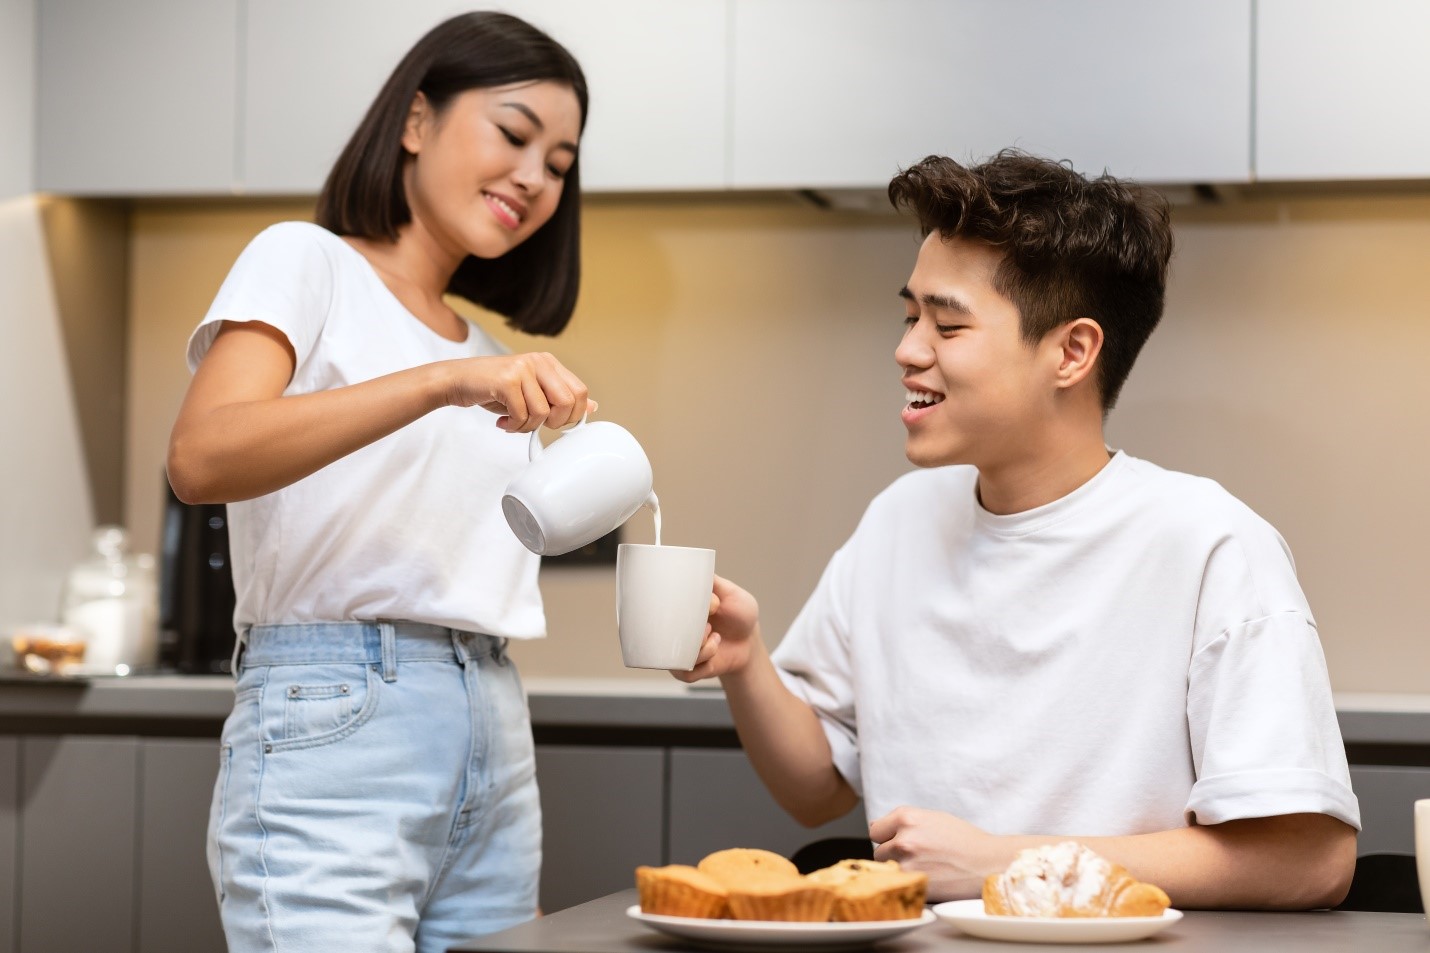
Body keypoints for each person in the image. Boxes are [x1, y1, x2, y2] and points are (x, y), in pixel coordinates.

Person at [677, 150, 1360, 909]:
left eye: (947, 323)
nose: (907, 350)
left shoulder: (1212, 544)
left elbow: (1310, 859)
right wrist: (746, 663)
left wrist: (1006, 860)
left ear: (1072, 351)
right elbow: (815, 790)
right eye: (910, 316)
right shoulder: (897, 521)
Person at [167, 12, 591, 952]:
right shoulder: (304, 259)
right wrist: (445, 383)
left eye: (560, 162)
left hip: (492, 723)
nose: (535, 176)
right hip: (336, 718)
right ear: (414, 121)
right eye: (515, 134)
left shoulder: (481, 347)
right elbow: (200, 457)